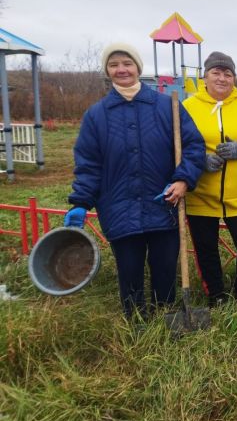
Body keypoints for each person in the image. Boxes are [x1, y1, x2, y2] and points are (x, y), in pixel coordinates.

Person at [65, 42, 205, 318]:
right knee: (129, 270)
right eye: (114, 64)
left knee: (165, 267)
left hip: (164, 202)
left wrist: (183, 180)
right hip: (118, 207)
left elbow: (194, 147)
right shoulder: (97, 115)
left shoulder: (167, 106)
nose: (121, 70)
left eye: (127, 63)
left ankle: (166, 321)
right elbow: (89, 163)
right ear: (107, 70)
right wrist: (81, 201)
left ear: (138, 68)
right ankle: (136, 324)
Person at [183, 52, 237, 306]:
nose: (222, 78)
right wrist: (200, 160)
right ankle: (216, 295)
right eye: (216, 72)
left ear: (234, 78)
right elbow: (174, 144)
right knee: (206, 248)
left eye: (228, 73)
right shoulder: (188, 107)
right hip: (201, 194)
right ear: (205, 76)